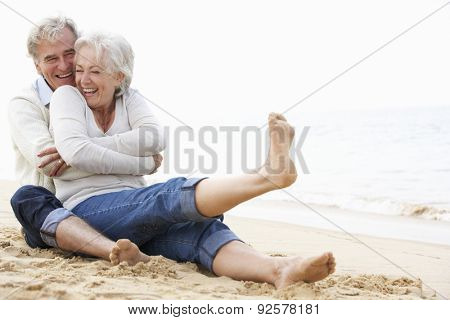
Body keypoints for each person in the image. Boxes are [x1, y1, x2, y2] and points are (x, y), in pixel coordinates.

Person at [48, 31, 336, 288]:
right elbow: (76, 153)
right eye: (80, 69)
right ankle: (266, 177)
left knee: (200, 229)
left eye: (95, 71)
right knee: (165, 196)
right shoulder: (67, 96)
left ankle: (277, 269)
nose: (83, 80)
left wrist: (93, 145)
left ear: (118, 77)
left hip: (135, 208)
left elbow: (154, 139)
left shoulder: (130, 99)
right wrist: (143, 164)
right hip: (87, 212)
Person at [8, 16, 154, 265]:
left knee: (197, 215)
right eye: (51, 58)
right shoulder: (25, 104)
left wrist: (79, 150)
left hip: (107, 201)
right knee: (26, 197)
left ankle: (124, 243)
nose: (64, 66)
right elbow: (49, 162)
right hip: (56, 211)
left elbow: (143, 137)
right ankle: (111, 250)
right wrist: (143, 163)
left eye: (69, 54)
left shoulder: (98, 90)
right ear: (37, 65)